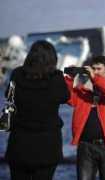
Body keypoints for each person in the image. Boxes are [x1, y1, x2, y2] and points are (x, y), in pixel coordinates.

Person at [4, 40, 70, 180]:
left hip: (19, 144)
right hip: (47, 146)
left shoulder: (16, 74)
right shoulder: (56, 78)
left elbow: (8, 96)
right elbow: (65, 96)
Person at [64, 55, 105, 180]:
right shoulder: (83, 91)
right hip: (85, 146)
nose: (95, 72)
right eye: (93, 69)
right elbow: (68, 97)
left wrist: (95, 78)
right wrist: (70, 78)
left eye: (99, 69)